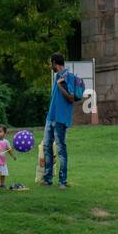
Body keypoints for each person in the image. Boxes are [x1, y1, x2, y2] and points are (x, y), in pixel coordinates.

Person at [43, 53, 81, 188]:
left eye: (50, 63)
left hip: (60, 119)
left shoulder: (67, 77)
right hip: (50, 117)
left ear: (54, 63)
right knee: (47, 147)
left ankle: (62, 181)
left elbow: (71, 98)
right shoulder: (57, 76)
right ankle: (47, 179)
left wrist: (60, 86)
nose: (50, 66)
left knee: (61, 150)